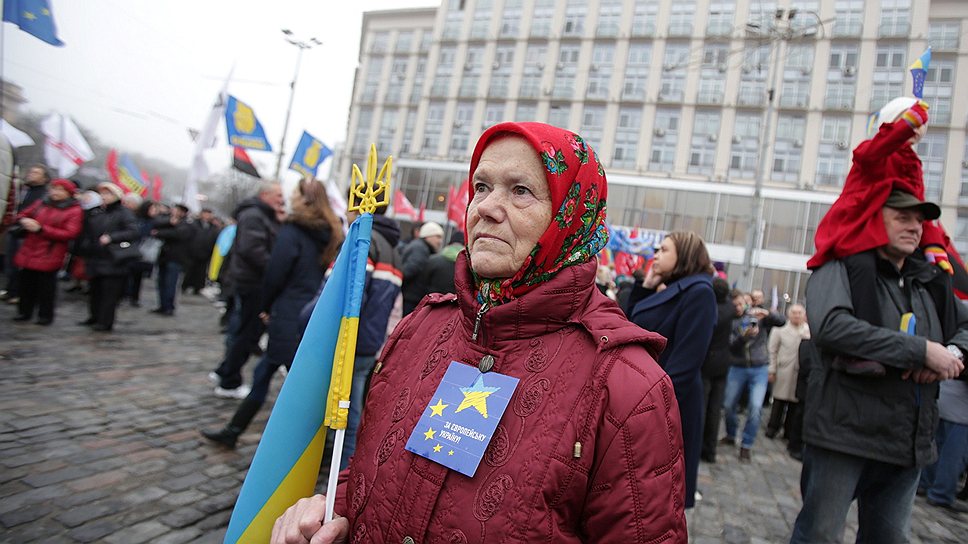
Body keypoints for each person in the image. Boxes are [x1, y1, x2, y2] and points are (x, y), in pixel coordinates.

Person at [271, 122, 686, 543]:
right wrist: (332, 509)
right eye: (482, 186)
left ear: (571, 216)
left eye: (521, 190)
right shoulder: (422, 328)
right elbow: (371, 469)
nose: (485, 207)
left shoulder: (627, 385)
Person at [790, 190, 968, 543]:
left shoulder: (929, 281)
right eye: (902, 217)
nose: (915, 227)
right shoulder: (839, 266)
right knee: (819, 536)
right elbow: (832, 327)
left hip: (907, 441)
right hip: (844, 435)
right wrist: (919, 352)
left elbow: (964, 327)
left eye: (920, 220)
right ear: (874, 219)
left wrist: (949, 353)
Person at [202, 178, 343, 448]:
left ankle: (320, 445)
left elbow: (275, 274)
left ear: (301, 199)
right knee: (269, 372)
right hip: (311, 311)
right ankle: (234, 430)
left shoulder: (293, 230)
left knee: (290, 381)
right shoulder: (331, 231)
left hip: (288, 312)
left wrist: (266, 306)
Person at [626, 230, 716, 508]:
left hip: (666, 405)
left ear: (684, 256)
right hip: (646, 397)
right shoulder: (674, 289)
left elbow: (685, 366)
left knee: (658, 498)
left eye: (664, 250)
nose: (656, 255)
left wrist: (646, 407)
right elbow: (631, 327)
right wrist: (647, 285)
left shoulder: (699, 292)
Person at [211, 181, 284, 398]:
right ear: (265, 195)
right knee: (245, 334)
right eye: (278, 195)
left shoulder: (261, 216)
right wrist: (276, 270)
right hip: (252, 283)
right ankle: (229, 381)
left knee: (244, 332)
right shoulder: (254, 216)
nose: (282, 200)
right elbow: (253, 250)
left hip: (251, 281)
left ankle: (224, 371)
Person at [720, 291, 785, 461]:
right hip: (738, 367)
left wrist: (768, 314)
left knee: (755, 408)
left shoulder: (760, 317)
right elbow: (732, 346)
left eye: (745, 303)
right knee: (728, 405)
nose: (741, 307)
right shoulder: (731, 321)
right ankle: (731, 434)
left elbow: (781, 321)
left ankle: (746, 444)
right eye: (738, 304)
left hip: (759, 367)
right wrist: (744, 336)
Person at [10, 179, 82, 324]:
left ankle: (45, 315)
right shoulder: (41, 203)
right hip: (30, 248)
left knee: (46, 288)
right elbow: (22, 214)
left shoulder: (74, 210)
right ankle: (24, 312)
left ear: (68, 193)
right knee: (26, 284)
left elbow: (70, 233)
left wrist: (41, 229)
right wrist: (24, 221)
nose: (55, 192)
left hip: (50, 252)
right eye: (54, 188)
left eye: (60, 190)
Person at [76, 182, 140, 332]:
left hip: (114, 259)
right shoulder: (97, 212)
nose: (104, 197)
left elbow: (133, 232)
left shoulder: (124, 213)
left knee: (109, 294)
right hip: (96, 257)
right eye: (102, 194)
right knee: (95, 290)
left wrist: (112, 237)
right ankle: (94, 316)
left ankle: (105, 321)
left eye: (108, 194)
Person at [917, 378, 968, 513]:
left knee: (937, 444)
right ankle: (941, 493)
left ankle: (924, 483)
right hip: (961, 403)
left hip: (945, 391)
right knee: (955, 452)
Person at [2, 164, 50, 304]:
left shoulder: (44, 195)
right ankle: (10, 290)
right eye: (31, 171)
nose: (31, 174)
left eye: (36, 173)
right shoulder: (24, 190)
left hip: (27, 233)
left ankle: (18, 293)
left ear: (44, 178)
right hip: (16, 229)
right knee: (10, 263)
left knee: (21, 265)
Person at [700, 278, 736, 463]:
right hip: (723, 362)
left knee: (704, 407)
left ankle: (700, 447)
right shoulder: (730, 308)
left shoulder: (712, 312)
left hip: (708, 362)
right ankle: (710, 450)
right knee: (715, 409)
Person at [766, 304, 810, 440]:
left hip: (800, 373)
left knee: (794, 404)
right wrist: (771, 370)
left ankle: (788, 431)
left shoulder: (808, 331)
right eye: (794, 313)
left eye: (799, 313)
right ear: (788, 314)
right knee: (779, 401)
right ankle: (772, 427)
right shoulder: (779, 331)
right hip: (783, 370)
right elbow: (772, 351)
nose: (797, 315)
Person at [150, 204, 194, 316]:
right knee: (161, 282)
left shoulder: (187, 224)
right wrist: (169, 223)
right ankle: (162, 304)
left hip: (176, 258)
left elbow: (178, 234)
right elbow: (156, 224)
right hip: (164, 256)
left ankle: (169, 306)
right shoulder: (168, 221)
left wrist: (161, 233)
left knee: (171, 283)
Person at [400, 220, 443, 315]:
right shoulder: (420, 249)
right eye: (438, 237)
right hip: (411, 299)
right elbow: (409, 270)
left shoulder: (420, 247)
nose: (440, 241)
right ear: (428, 236)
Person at [415, 229, 464, 297]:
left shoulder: (433, 260)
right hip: (454, 305)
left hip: (432, 302)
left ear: (449, 244)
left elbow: (422, 283)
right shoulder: (468, 266)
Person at [183, 208, 220, 295]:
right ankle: (186, 286)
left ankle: (198, 287)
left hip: (205, 253)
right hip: (193, 252)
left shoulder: (213, 227)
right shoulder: (194, 224)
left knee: (201, 272)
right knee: (190, 270)